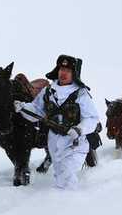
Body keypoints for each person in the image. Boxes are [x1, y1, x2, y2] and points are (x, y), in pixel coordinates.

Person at [13, 55, 99, 190]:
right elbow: (36, 110)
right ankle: (65, 206)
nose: (63, 73)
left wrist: (79, 129)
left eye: (68, 70)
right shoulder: (48, 91)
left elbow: (92, 118)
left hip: (75, 144)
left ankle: (69, 203)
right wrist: (23, 108)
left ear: (74, 74)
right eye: (61, 69)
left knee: (67, 175)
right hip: (54, 143)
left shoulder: (81, 94)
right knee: (60, 177)